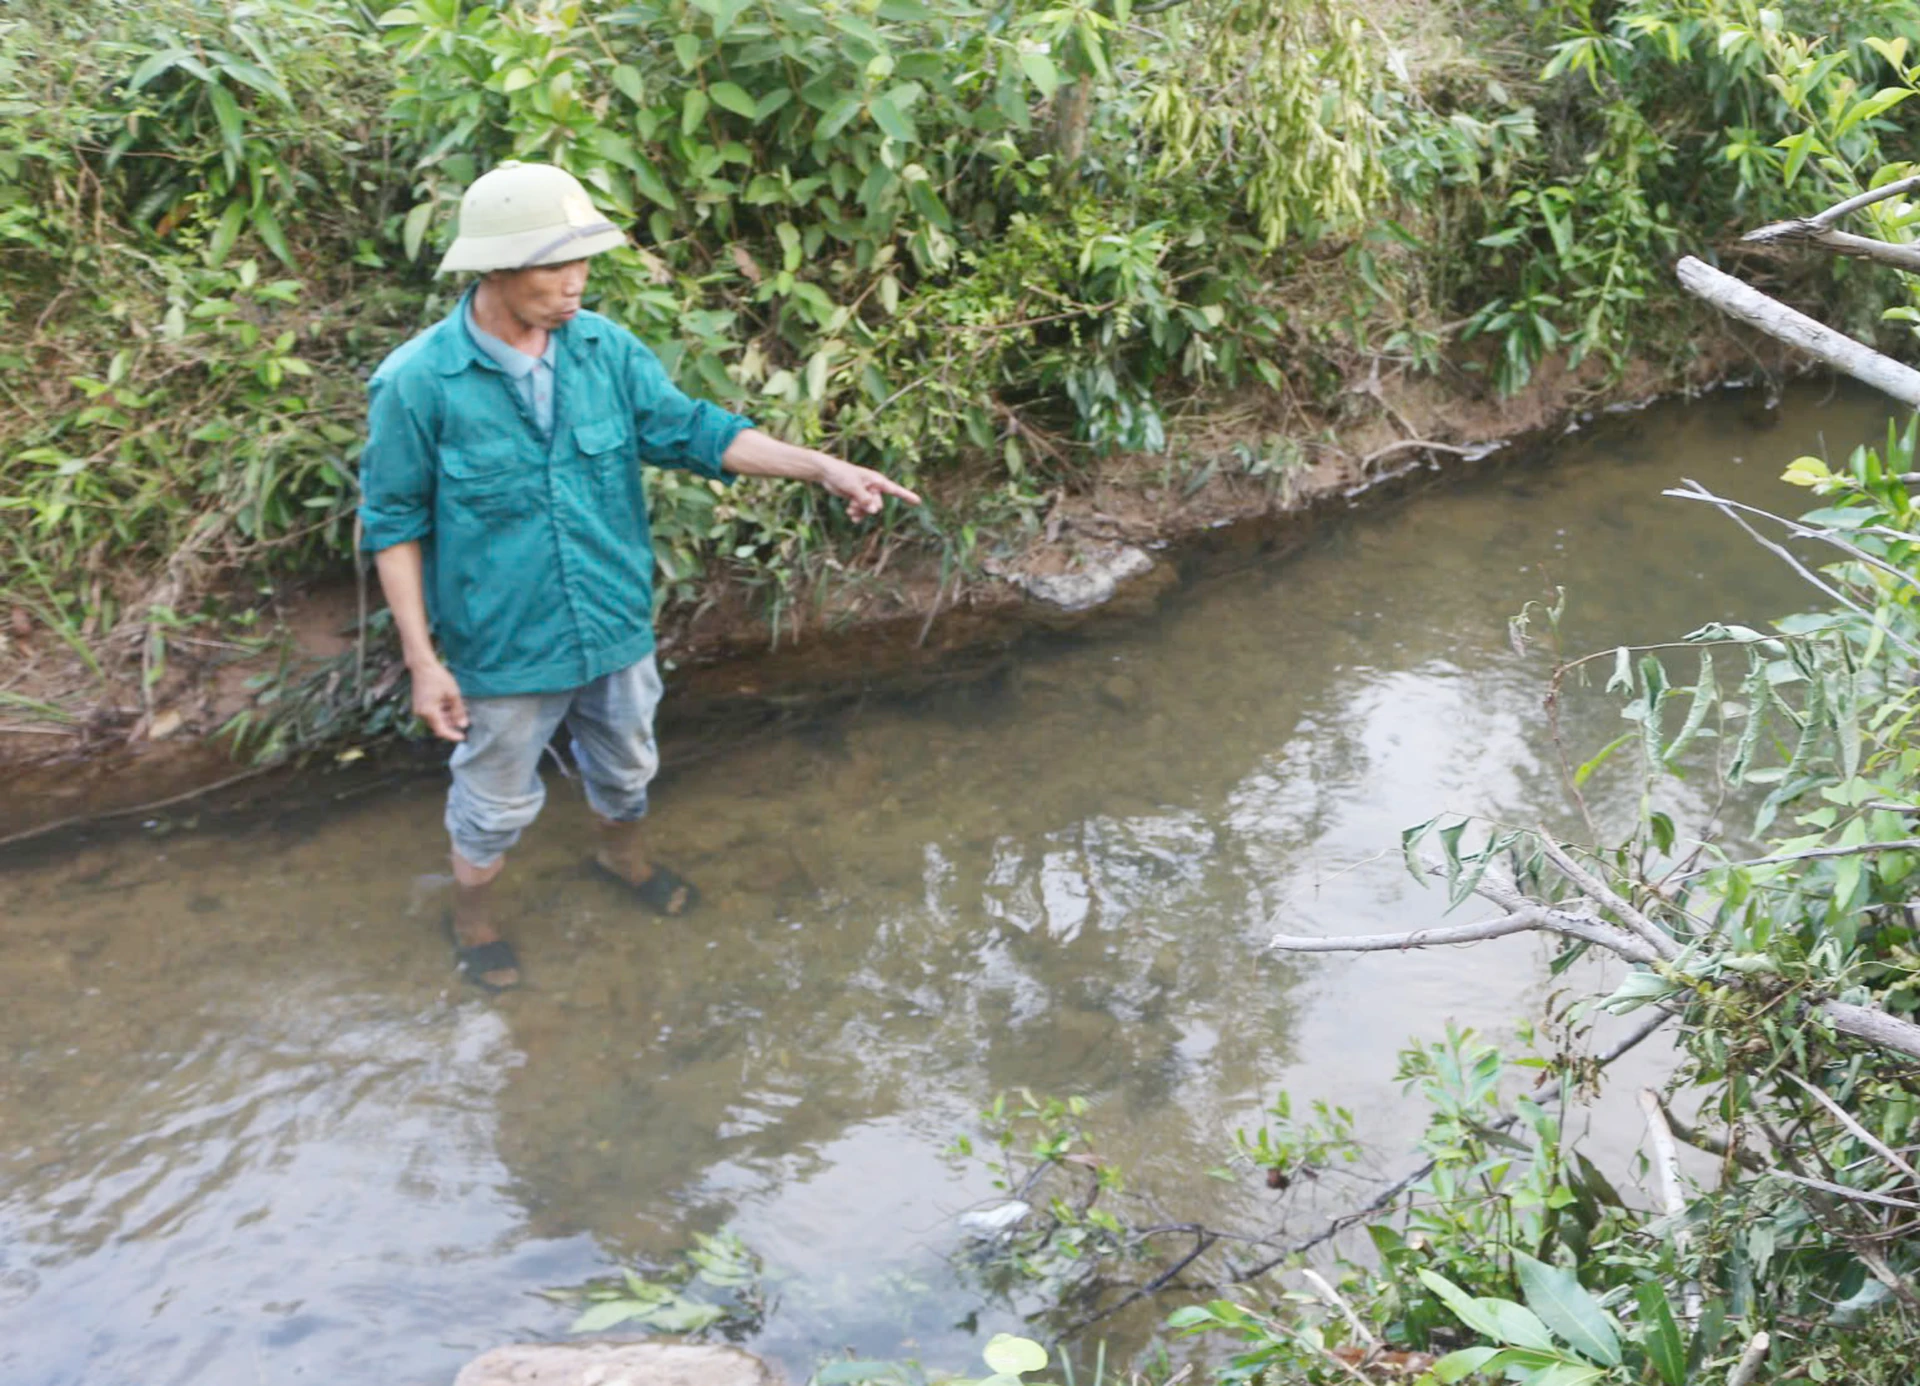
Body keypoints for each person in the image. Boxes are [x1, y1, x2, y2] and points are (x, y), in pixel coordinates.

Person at [358, 161, 920, 991]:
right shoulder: (417, 384)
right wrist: (423, 660)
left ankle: (621, 862)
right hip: (503, 647)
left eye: (583, 261)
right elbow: (396, 525)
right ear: (498, 267)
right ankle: (472, 918)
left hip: (614, 628)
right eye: (556, 266)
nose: (575, 283)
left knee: (626, 769)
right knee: (492, 804)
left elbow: (693, 430)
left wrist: (821, 467)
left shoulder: (604, 350)